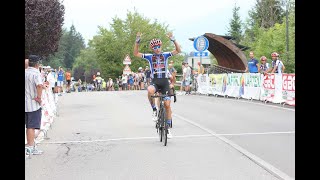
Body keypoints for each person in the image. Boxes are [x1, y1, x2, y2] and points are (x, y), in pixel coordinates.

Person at [133, 32, 181, 139]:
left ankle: (167, 128)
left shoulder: (166, 55)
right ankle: (154, 109)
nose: (157, 48)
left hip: (164, 82)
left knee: (168, 105)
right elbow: (136, 53)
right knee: (150, 90)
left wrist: (174, 40)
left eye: (158, 46)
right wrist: (137, 41)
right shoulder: (150, 57)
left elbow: (178, 51)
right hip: (155, 81)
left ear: (161, 46)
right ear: (152, 48)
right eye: (155, 47)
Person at [25, 55, 44, 155]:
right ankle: (30, 146)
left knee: (28, 126)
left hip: (25, 102)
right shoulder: (36, 73)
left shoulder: (25, 72)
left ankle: (29, 145)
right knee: (31, 126)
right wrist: (39, 97)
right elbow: (39, 85)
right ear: (37, 64)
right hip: (33, 104)